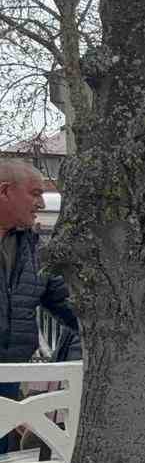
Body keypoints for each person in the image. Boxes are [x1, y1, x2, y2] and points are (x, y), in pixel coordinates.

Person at [0, 162, 77, 383]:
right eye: (35, 194)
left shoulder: (34, 249)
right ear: (5, 191)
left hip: (11, 377)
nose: (41, 203)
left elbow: (68, 305)